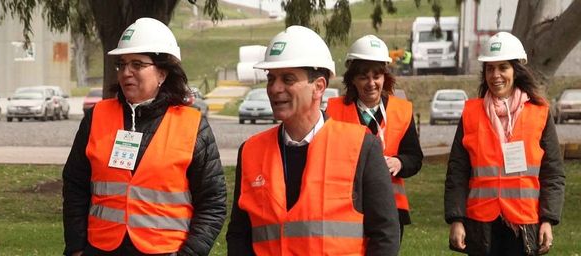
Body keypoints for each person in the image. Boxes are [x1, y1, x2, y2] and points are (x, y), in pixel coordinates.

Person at [226, 26, 400, 255]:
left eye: (287, 79)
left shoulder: (361, 147)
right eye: (271, 79)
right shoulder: (251, 151)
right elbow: (240, 234)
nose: (275, 89)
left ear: (319, 87)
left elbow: (385, 234)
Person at [62, 17, 226, 256]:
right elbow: (75, 185)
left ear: (162, 73)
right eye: (122, 64)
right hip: (101, 248)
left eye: (137, 64)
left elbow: (213, 202)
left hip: (166, 250)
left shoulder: (192, 125)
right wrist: (77, 248)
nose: (126, 72)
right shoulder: (97, 116)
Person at [445, 32, 565, 255]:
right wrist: (456, 219)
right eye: (490, 69)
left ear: (516, 71)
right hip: (481, 224)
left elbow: (553, 173)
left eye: (503, 68)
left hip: (524, 224)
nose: (496, 75)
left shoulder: (539, 113)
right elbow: (457, 172)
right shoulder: (471, 114)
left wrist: (548, 219)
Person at [327, 35, 423, 240]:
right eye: (363, 77)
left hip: (389, 209)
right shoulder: (333, 111)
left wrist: (399, 162)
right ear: (352, 79)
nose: (371, 83)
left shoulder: (402, 111)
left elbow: (415, 157)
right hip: (345, 207)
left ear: (385, 78)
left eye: (376, 76)